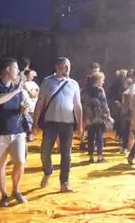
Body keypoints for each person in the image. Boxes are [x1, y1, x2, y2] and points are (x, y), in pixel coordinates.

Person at [34, 57, 83, 193]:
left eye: (68, 66)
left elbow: (78, 106)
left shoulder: (73, 84)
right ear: (57, 66)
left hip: (67, 124)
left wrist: (80, 126)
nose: (67, 69)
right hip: (51, 123)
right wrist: (35, 123)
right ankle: (48, 171)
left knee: (66, 154)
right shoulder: (47, 81)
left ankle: (64, 182)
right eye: (64, 66)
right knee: (45, 152)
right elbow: (40, 103)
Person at [0, 58, 31, 206]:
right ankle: (4, 195)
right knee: (0, 165)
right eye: (16, 68)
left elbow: (20, 108)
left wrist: (23, 109)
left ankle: (16, 190)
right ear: (7, 69)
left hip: (17, 131)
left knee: (20, 161)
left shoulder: (17, 89)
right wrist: (17, 90)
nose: (18, 71)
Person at [82, 71, 112, 164]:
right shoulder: (100, 90)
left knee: (90, 137)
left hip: (89, 118)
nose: (103, 82)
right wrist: (108, 116)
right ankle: (100, 157)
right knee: (99, 137)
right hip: (99, 117)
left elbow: (82, 103)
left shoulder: (84, 90)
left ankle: (91, 157)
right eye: (102, 80)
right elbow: (104, 104)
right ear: (98, 80)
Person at [23, 69, 40, 142]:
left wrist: (36, 92)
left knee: (33, 121)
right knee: (28, 121)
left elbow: (39, 89)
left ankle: (31, 135)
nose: (32, 76)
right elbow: (32, 94)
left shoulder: (33, 83)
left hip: (34, 105)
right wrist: (35, 92)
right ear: (26, 75)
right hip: (29, 105)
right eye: (30, 74)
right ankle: (29, 136)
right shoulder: (24, 84)